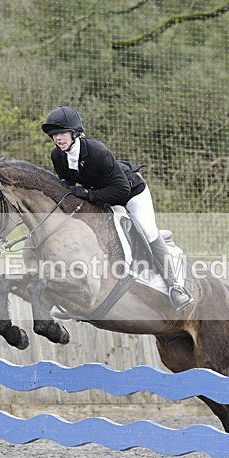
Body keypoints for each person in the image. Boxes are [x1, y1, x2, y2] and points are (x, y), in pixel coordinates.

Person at [41, 105, 193, 310]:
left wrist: (87, 195)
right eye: (54, 135)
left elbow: (120, 190)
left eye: (61, 133)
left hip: (130, 193)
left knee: (148, 232)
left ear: (74, 133)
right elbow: (67, 184)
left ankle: (175, 286)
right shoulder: (57, 156)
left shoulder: (97, 152)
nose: (58, 139)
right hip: (99, 197)